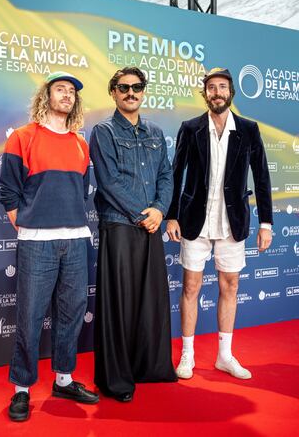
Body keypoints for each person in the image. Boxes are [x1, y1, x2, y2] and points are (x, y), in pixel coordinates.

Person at [0, 71, 99, 422]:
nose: (67, 96)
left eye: (72, 92)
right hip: (36, 243)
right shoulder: (23, 138)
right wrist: (24, 221)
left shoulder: (79, 143)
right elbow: (8, 190)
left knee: (71, 315)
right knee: (29, 317)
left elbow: (82, 189)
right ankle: (22, 389)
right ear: (47, 96)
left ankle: (64, 379)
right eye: (61, 90)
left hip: (75, 241)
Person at [166, 67, 273, 380]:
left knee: (231, 285)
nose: (217, 92)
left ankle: (225, 355)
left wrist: (266, 221)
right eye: (211, 87)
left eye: (222, 87)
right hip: (194, 221)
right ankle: (188, 355)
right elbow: (176, 173)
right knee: (190, 286)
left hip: (233, 220)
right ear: (205, 93)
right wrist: (172, 214)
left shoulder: (249, 129)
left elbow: (262, 176)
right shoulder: (190, 128)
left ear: (231, 93)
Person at [90, 66, 177, 402]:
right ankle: (117, 380)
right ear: (113, 92)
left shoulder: (156, 132)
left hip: (151, 225)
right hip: (120, 225)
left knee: (150, 303)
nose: (131, 92)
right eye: (123, 87)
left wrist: (159, 211)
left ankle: (151, 368)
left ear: (144, 91)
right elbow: (109, 182)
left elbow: (166, 177)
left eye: (137, 87)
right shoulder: (103, 131)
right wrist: (145, 215)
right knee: (120, 305)